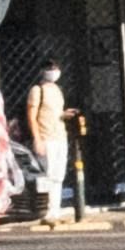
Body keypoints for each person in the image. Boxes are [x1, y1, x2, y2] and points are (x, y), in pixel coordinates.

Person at [23, 67, 74, 227]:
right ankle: (46, 212)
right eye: (51, 68)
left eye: (56, 68)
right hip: (46, 138)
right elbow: (31, 116)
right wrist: (37, 139)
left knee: (59, 175)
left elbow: (55, 113)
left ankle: (55, 211)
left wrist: (64, 114)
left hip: (60, 136)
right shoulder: (37, 90)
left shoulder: (57, 90)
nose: (55, 71)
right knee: (49, 174)